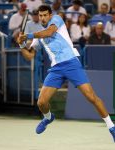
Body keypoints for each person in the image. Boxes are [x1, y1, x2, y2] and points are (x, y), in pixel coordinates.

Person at [17, 5, 115, 142]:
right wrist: (21, 45)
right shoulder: (39, 38)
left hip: (71, 63)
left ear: (50, 15)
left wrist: (27, 35)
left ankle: (111, 127)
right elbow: (29, 56)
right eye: (41, 15)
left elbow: (49, 33)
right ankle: (48, 117)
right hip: (56, 69)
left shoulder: (57, 20)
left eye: (45, 15)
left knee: (91, 97)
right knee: (41, 102)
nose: (43, 18)